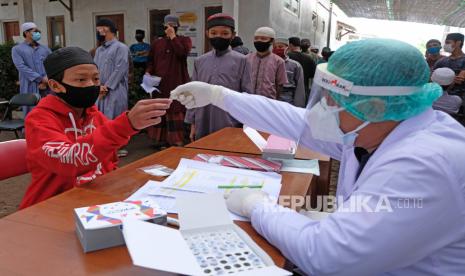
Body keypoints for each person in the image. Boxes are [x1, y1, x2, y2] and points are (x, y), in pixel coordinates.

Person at [171, 38, 465, 275]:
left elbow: (328, 256)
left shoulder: (423, 165)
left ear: (374, 107)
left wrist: (255, 206)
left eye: (332, 100)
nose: (322, 107)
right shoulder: (377, 128)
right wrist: (221, 96)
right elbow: (296, 122)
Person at [21, 47, 171, 209]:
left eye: (96, 78)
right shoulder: (39, 120)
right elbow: (70, 160)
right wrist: (127, 124)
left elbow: (110, 159)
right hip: (50, 206)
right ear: (55, 86)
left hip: (95, 200)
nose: (91, 85)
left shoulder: (94, 115)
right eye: (81, 80)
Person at [185, 13, 252, 141]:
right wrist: (193, 124)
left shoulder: (242, 61)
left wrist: (247, 125)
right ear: (207, 33)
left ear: (233, 35)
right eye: (214, 33)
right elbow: (193, 94)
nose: (218, 36)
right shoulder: (200, 61)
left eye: (225, 33)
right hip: (203, 120)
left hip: (230, 121)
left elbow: (247, 95)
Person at [146, 14, 192, 147]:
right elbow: (151, 61)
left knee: (175, 110)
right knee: (161, 109)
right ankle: (161, 141)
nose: (170, 28)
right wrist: (148, 73)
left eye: (173, 25)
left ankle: (176, 141)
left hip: (177, 83)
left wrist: (173, 37)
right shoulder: (157, 43)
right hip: (160, 85)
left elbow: (182, 53)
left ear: (177, 27)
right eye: (167, 26)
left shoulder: (184, 40)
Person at [12, 22, 51, 115]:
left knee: (48, 111)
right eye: (35, 31)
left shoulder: (45, 49)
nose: (38, 33)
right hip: (29, 85)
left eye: (38, 31)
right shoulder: (17, 49)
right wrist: (41, 79)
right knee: (31, 112)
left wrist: (47, 79)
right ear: (26, 33)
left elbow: (52, 64)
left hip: (47, 86)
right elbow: (21, 67)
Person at [94, 18, 130, 120]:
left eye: (98, 30)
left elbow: (120, 69)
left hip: (115, 91)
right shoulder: (99, 50)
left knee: (115, 122)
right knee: (100, 121)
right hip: (100, 92)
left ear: (105, 29)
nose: (98, 33)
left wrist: (107, 87)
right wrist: (97, 86)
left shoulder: (121, 48)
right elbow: (94, 70)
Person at [246, 27, 287, 100]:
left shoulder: (279, 61)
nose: (259, 41)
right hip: (248, 100)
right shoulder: (246, 59)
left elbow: (280, 85)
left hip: (268, 102)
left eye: (263, 39)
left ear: (272, 41)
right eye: (256, 38)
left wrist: (274, 102)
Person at [272, 38, 305, 107]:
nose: (277, 49)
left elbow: (300, 89)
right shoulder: (268, 63)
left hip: (287, 103)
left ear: (288, 48)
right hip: (270, 102)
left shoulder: (295, 65)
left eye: (280, 47)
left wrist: (298, 107)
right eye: (275, 47)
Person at [433, 33, 465, 97]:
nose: (445, 45)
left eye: (448, 42)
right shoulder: (442, 61)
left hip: (458, 99)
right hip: (438, 97)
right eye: (445, 43)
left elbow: (460, 80)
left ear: (458, 43)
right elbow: (432, 76)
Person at [287, 37, 316, 101]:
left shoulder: (287, 57)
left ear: (290, 45)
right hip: (304, 89)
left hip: (288, 91)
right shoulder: (309, 58)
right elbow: (313, 74)